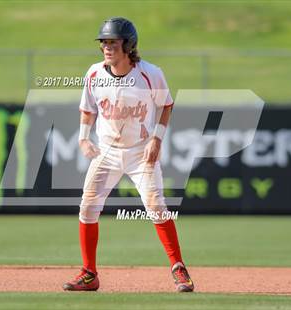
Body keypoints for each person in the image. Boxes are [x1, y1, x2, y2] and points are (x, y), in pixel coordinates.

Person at [63, 17, 194, 293]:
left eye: (113, 42)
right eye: (104, 43)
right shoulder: (94, 74)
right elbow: (87, 109)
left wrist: (157, 138)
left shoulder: (150, 73)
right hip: (107, 151)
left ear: (128, 45)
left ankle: (179, 268)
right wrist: (84, 138)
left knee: (157, 207)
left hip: (140, 151)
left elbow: (166, 105)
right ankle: (89, 273)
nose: (107, 47)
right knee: (87, 207)